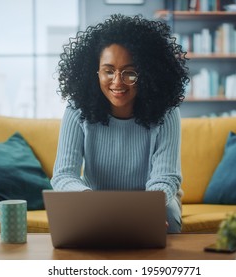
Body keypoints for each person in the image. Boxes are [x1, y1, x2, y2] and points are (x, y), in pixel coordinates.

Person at [51, 14, 189, 233]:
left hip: (152, 201)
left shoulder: (167, 112)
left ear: (148, 73)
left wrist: (145, 209)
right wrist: (91, 202)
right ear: (94, 73)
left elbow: (165, 177)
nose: (117, 82)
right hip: (94, 203)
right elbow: (63, 175)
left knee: (168, 221)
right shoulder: (77, 109)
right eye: (108, 71)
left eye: (130, 73)